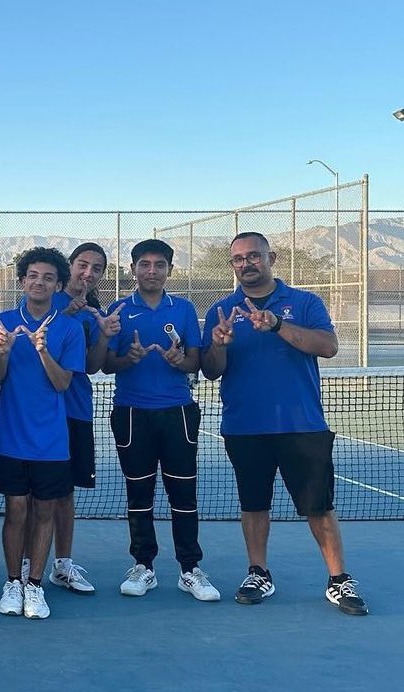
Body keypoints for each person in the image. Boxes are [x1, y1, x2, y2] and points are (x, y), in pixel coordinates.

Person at [201, 231, 367, 615]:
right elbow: (211, 371)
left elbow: (328, 347)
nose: (246, 264)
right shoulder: (221, 310)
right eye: (239, 259)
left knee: (319, 507)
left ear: (270, 257)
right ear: (233, 265)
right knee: (254, 504)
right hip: (245, 427)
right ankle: (258, 573)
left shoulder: (304, 302)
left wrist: (277, 325)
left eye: (254, 256)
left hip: (302, 424)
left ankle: (339, 580)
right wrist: (219, 345)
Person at [103, 239, 219, 601]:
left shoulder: (183, 309)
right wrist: (129, 359)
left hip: (178, 413)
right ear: (133, 269)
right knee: (139, 494)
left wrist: (177, 361)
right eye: (144, 265)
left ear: (170, 269)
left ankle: (190, 569)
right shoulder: (119, 308)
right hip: (132, 414)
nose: (151, 271)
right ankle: (144, 566)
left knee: (183, 494)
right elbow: (107, 365)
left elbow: (195, 362)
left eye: (159, 265)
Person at [0, 247, 86, 620]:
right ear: (23, 280)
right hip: (10, 437)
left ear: (58, 285)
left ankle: (35, 585)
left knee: (44, 512)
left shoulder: (70, 329)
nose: (39, 282)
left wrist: (43, 351)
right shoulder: (1, 322)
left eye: (48, 277)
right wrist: (5, 352)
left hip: (53, 442)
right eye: (33, 276)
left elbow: (62, 385)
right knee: (16, 510)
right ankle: (13, 581)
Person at [45, 243, 119, 594]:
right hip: (41, 413)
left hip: (76, 410)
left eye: (97, 268)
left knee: (65, 493)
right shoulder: (45, 298)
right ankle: (26, 568)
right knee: (32, 495)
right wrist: (67, 317)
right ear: (70, 267)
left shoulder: (94, 311)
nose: (88, 273)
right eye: (83, 265)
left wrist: (102, 333)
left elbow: (93, 365)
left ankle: (63, 564)